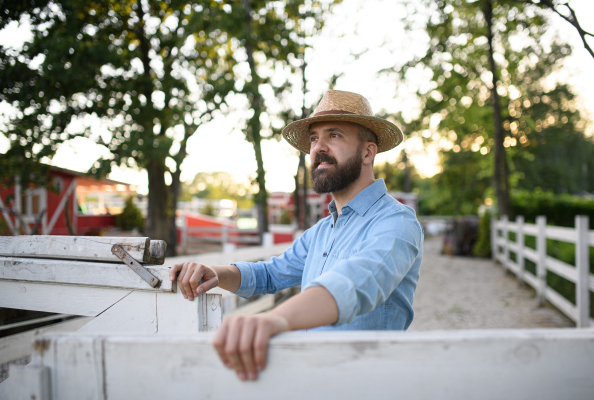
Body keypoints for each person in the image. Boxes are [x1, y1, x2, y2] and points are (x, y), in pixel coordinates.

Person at [169, 90, 423, 381]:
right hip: (308, 381)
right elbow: (271, 274)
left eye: (335, 135)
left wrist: (277, 319)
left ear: (368, 152)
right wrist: (216, 272)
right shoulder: (321, 231)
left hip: (364, 384)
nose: (318, 147)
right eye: (314, 138)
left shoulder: (396, 223)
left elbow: (355, 283)